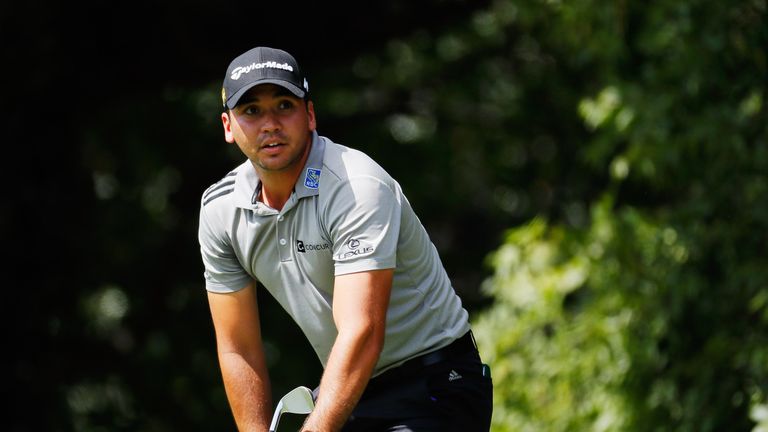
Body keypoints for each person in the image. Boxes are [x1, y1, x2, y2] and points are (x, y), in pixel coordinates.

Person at [197, 46, 493, 432]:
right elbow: (238, 349)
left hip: (436, 382)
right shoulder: (220, 209)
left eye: (284, 105)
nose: (269, 123)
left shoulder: (356, 185)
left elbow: (362, 330)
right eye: (251, 111)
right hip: (354, 392)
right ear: (228, 126)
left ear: (310, 115)